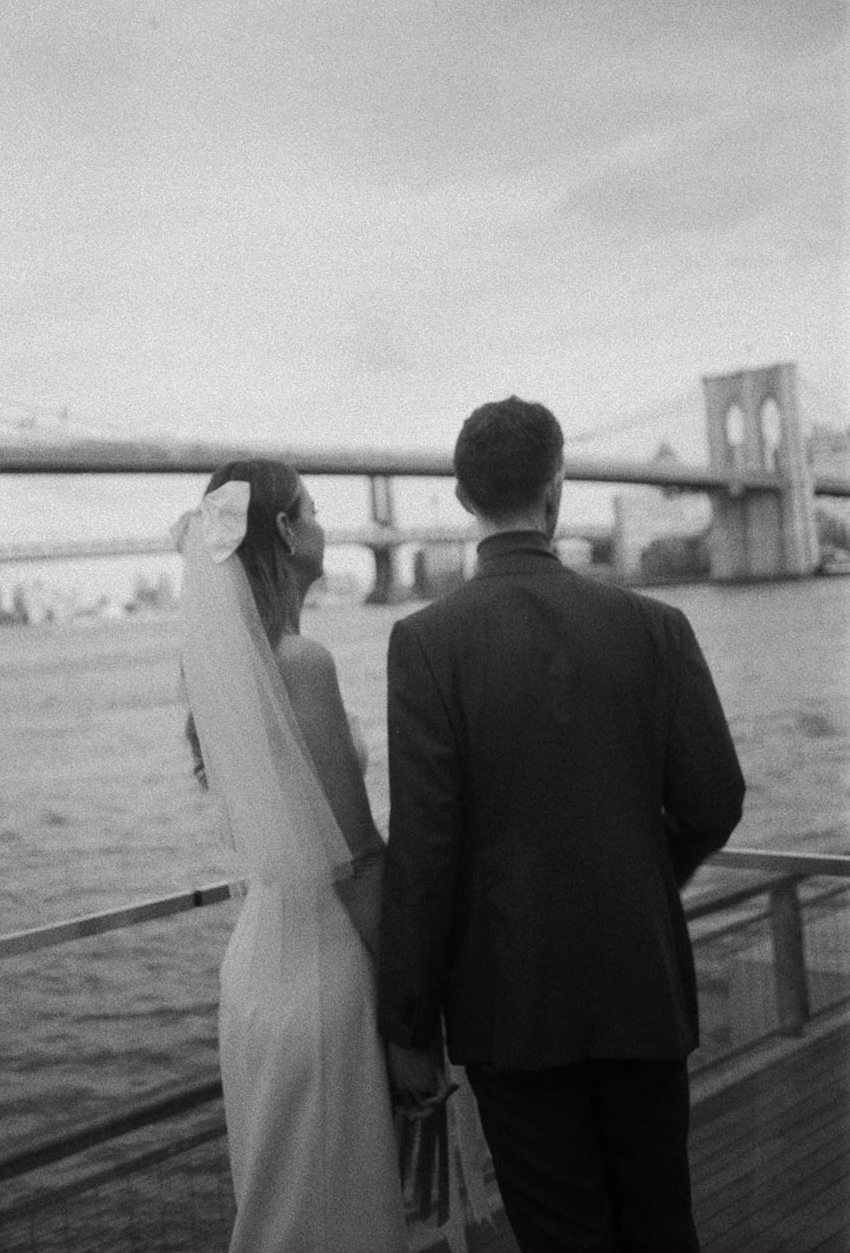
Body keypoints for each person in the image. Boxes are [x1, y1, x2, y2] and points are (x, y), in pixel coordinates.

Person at [378, 396, 745, 1253]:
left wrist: (408, 1024)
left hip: (513, 1008)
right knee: (661, 1225)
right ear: (558, 488)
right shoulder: (656, 626)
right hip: (640, 984)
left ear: (465, 501)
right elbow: (716, 799)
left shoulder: (426, 644)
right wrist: (645, 871)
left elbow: (426, 856)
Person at [174, 459, 408, 1253]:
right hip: (321, 975)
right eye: (312, 509)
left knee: (282, 1213)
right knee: (336, 1218)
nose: (322, 525)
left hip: (254, 979)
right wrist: (414, 1015)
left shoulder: (228, 670)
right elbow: (359, 861)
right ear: (284, 531)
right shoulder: (302, 664)